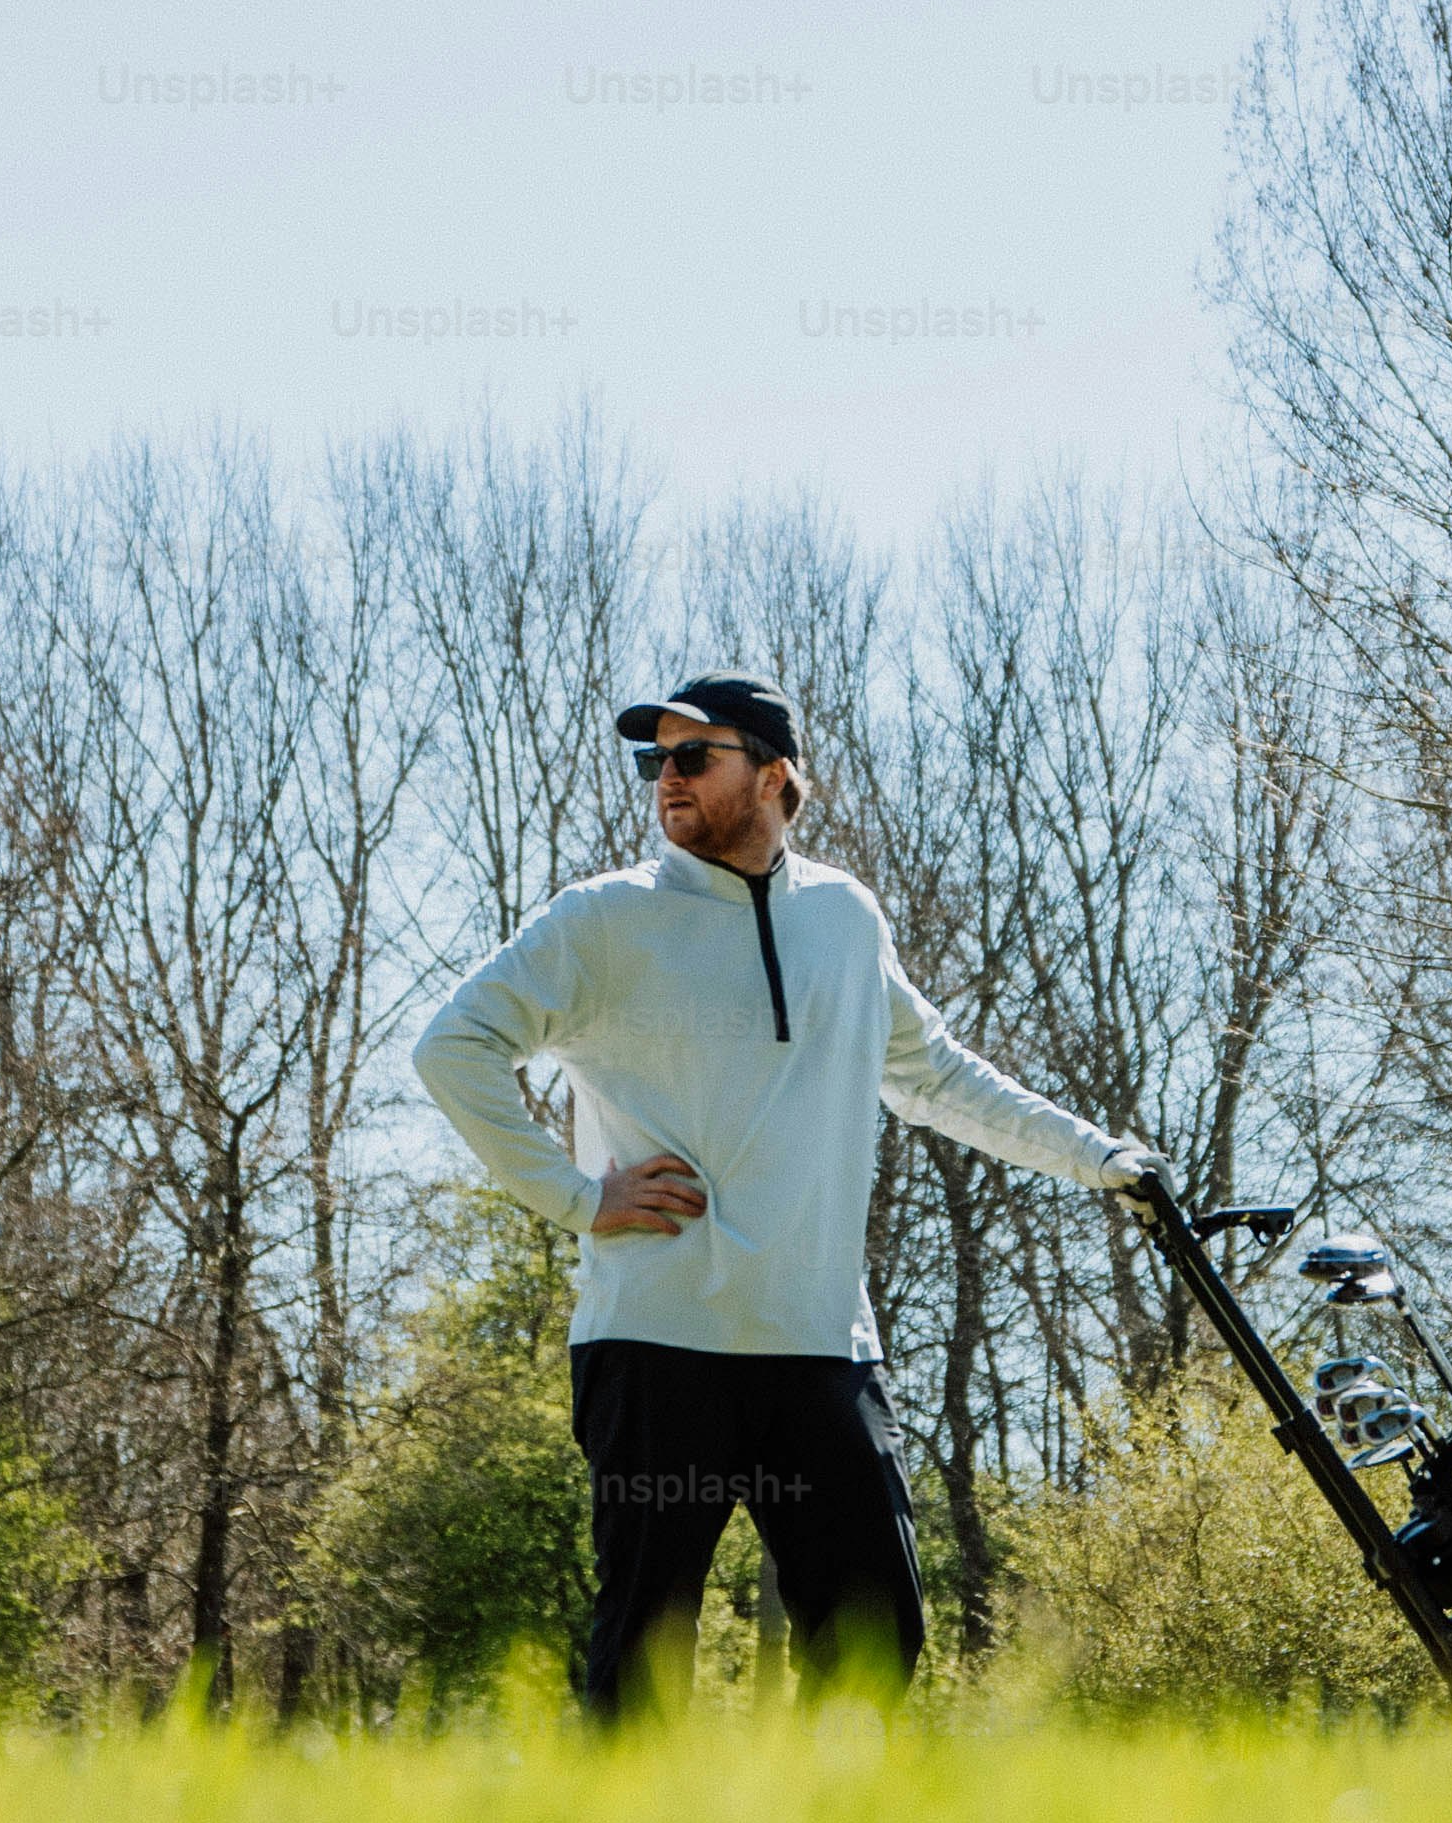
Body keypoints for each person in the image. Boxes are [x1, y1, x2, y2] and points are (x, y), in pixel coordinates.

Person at [409, 668, 1161, 1716]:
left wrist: (1104, 1158)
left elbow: (936, 1076)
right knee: (645, 1657)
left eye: (691, 755)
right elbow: (455, 1045)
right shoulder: (603, 919)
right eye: (653, 758)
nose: (664, 778)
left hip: (819, 1347)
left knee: (874, 1639)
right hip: (657, 1345)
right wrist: (578, 1196)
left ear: (773, 775)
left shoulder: (845, 920)